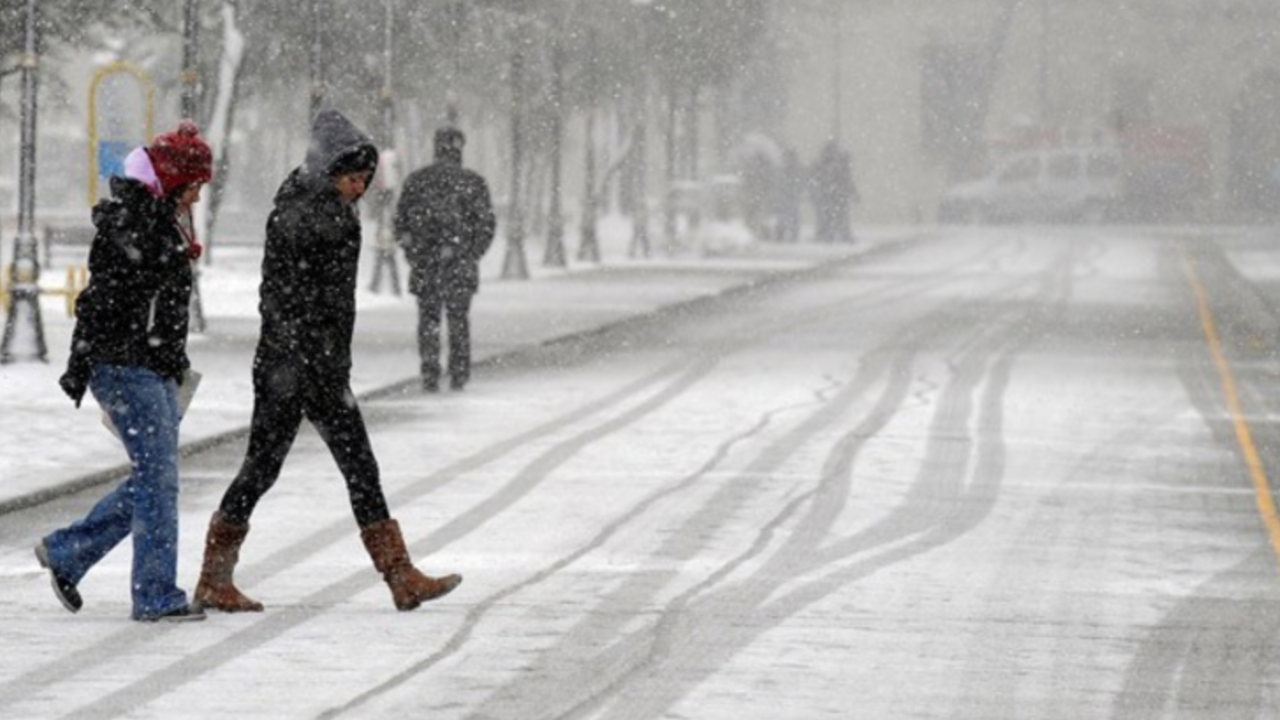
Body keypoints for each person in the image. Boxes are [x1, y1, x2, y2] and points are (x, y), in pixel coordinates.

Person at [193, 109, 462, 613]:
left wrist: (327, 359)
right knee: (268, 468)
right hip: (293, 368)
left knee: (348, 466)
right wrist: (306, 358)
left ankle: (400, 576)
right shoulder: (303, 215)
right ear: (327, 169)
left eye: (363, 179)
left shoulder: (326, 209)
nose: (358, 188)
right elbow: (282, 298)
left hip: (315, 367)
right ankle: (214, 578)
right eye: (351, 178)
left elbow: (326, 302)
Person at [36, 121, 212, 623]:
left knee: (155, 478)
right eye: (195, 186)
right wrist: (88, 362)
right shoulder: (134, 223)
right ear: (176, 180)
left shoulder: (159, 222)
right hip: (124, 366)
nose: (197, 198)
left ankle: (68, 551)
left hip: (149, 365)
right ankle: (155, 594)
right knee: (159, 480)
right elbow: (105, 301)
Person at [394, 127, 496, 392]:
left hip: (425, 264)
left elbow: (401, 223)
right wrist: (470, 253)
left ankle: (430, 371)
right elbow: (486, 226)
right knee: (458, 319)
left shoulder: (417, 181)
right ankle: (459, 371)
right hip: (460, 266)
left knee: (428, 320)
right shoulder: (473, 183)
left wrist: (414, 253)